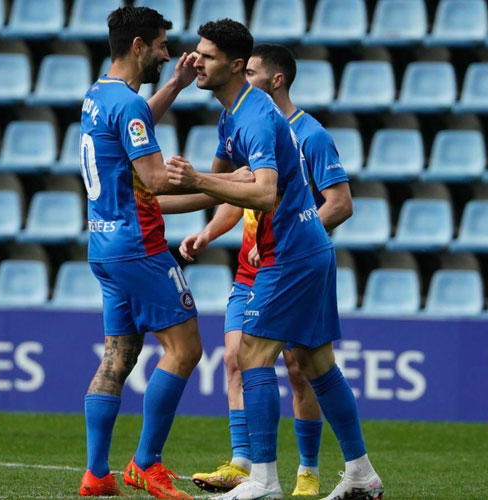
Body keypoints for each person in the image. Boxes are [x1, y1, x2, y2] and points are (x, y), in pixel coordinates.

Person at [165, 20, 383, 500]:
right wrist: (146, 204)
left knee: (253, 355)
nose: (196, 60)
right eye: (197, 52)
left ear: (237, 65)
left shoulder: (259, 117)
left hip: (291, 252)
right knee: (316, 361)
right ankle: (362, 475)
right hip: (303, 250)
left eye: (207, 54)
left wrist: (198, 179)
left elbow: (261, 193)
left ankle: (262, 480)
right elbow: (212, 192)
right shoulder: (232, 116)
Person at [77, 6, 251, 499]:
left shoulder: (98, 94)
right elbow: (153, 181)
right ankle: (145, 463)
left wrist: (172, 87)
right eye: (160, 46)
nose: (167, 54)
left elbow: (126, 130)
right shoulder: (127, 105)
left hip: (103, 245)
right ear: (138, 47)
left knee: (119, 354)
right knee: (186, 348)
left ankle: (96, 474)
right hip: (139, 246)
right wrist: (224, 186)